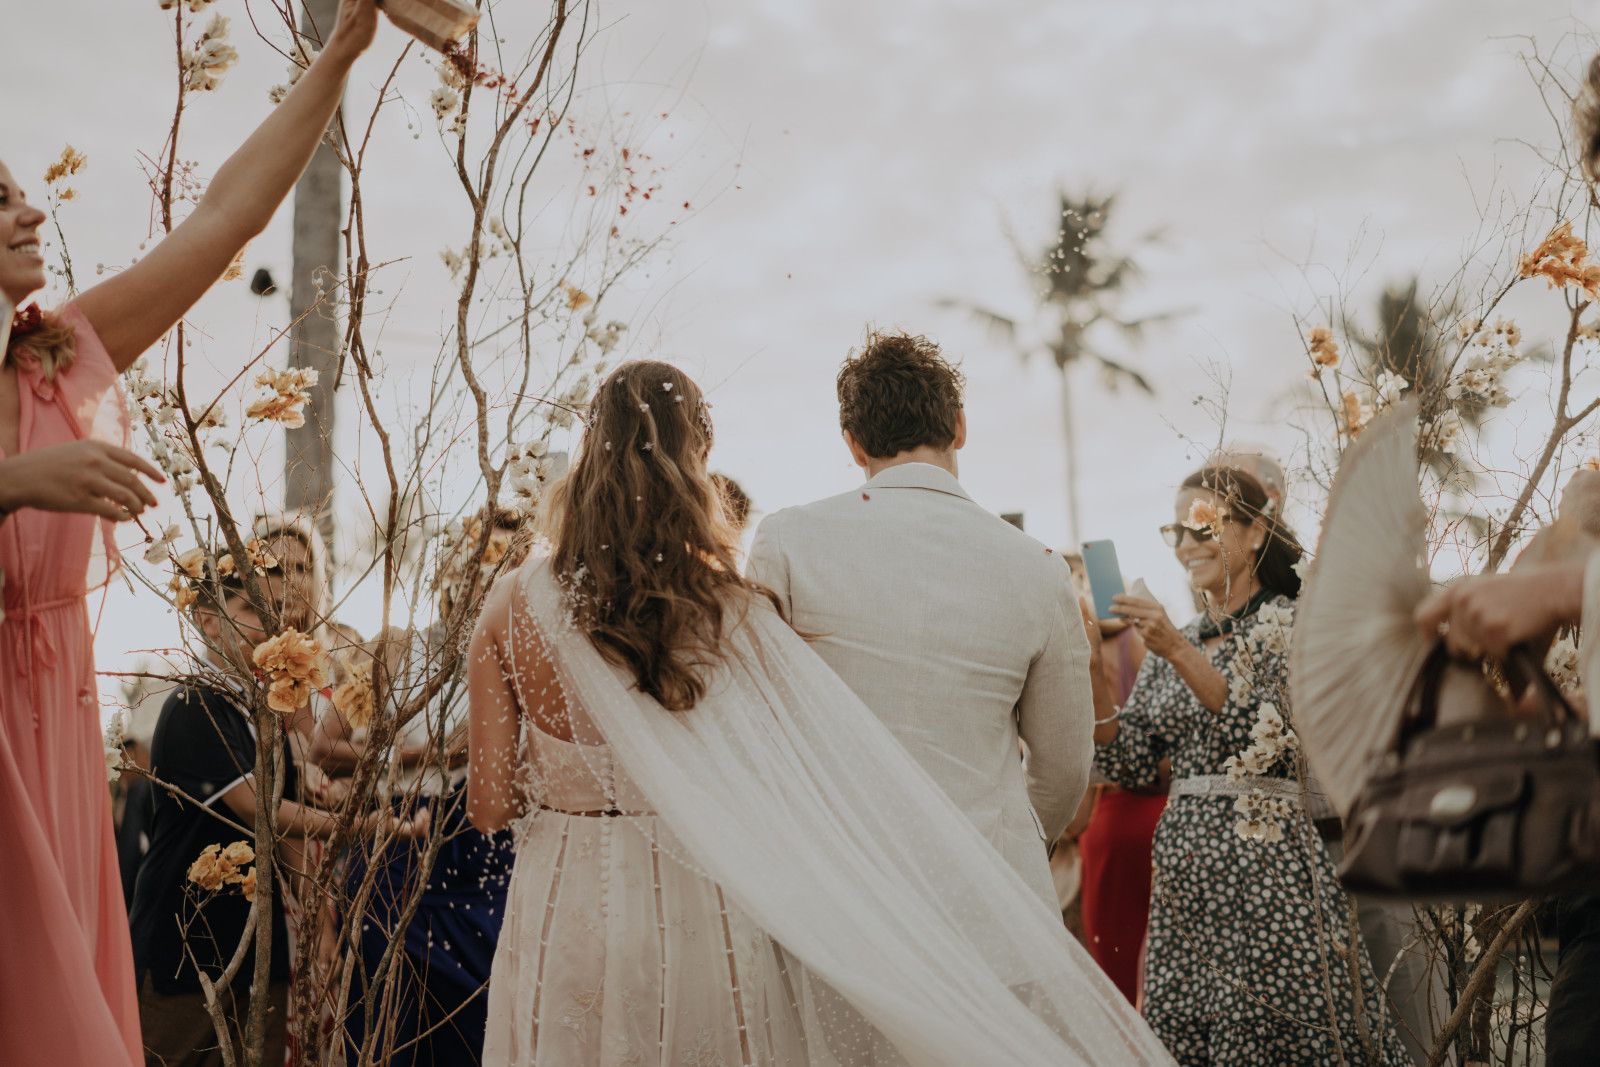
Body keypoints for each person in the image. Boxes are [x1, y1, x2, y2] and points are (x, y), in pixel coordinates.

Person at [467, 360, 1171, 1065]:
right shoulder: (724, 609)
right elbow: (775, 762)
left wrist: (571, 787)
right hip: (705, 904)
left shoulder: (511, 604)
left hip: (567, 897)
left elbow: (491, 806)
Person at [0, 4, 380, 1062]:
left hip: (53, 731)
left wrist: (339, 54)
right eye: (0, 200)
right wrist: (18, 481)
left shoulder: (56, 358)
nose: (31, 212)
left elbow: (223, 219)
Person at [746, 330, 1107, 904]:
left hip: (842, 886)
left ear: (854, 445)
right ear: (959, 426)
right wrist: (1015, 844)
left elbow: (759, 719)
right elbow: (1064, 765)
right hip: (988, 890)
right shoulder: (1038, 567)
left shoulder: (787, 541)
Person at [1100, 466, 1410, 1066]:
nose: (1186, 546)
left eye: (1202, 527)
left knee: (1278, 1036)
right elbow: (1131, 761)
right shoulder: (1178, 637)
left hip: (1266, 875)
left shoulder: (1293, 624)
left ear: (1256, 530)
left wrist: (1174, 648)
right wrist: (1088, 664)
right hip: (1187, 887)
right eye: (1176, 532)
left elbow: (1265, 733)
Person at [129, 567, 421, 1066]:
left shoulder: (263, 710)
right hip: (187, 951)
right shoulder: (195, 703)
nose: (270, 622)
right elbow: (261, 811)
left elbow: (288, 829)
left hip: (259, 948)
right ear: (210, 622)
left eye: (276, 609)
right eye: (251, 608)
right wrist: (364, 826)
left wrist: (318, 926)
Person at [1061, 553, 1166, 1005]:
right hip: (1161, 813)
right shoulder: (1140, 644)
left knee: (1115, 965)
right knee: (1161, 961)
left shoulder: (1072, 649)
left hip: (1107, 813)